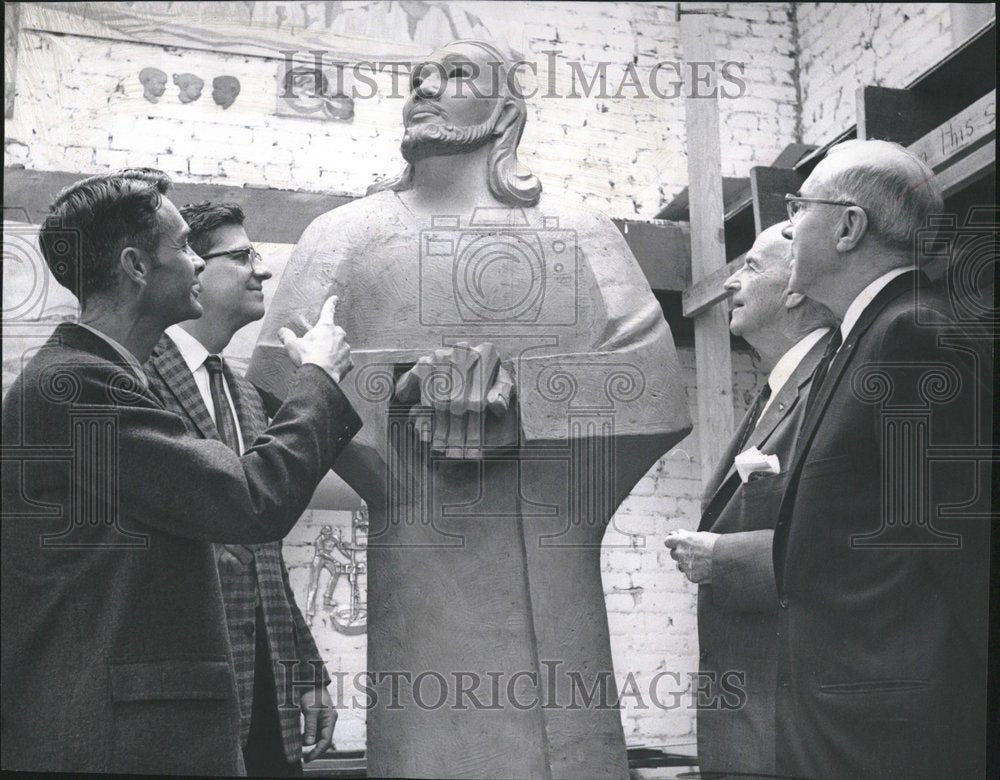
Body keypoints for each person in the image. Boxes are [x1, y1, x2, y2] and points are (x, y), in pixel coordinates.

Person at [248, 38, 691, 779]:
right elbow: (286, 372)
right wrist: (409, 398)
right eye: (417, 77)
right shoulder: (342, 237)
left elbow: (652, 384)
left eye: (455, 75)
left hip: (551, 570)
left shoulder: (579, 231)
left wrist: (518, 402)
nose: (425, 88)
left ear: (505, 112)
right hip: (418, 579)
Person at [1, 169, 360, 774]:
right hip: (106, 744)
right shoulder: (77, 386)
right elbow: (249, 500)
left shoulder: (97, 377)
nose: (195, 261)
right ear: (137, 266)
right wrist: (319, 377)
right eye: (184, 247)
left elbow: (251, 557)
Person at [774, 139, 990, 778]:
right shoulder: (861, 339)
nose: (787, 227)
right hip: (848, 729)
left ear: (848, 227)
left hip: (890, 740)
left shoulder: (911, 333)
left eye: (798, 208)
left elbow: (967, 552)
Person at [143, 201, 334, 776]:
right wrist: (319, 379)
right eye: (243, 256)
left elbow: (260, 545)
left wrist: (304, 670)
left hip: (267, 690)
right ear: (194, 268)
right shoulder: (136, 381)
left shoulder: (245, 393)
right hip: (183, 695)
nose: (263, 269)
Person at [665, 223, 836, 775]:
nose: (730, 282)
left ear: (796, 289)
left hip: (792, 727)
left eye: (752, 267)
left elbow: (850, 544)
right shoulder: (778, 387)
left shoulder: (833, 384)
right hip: (756, 722)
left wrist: (723, 558)